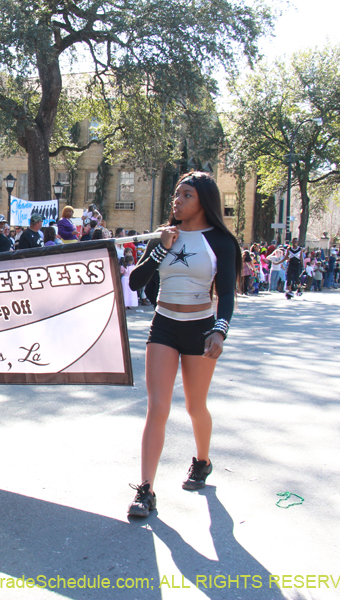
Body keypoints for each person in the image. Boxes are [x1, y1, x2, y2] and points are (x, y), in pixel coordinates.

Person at [126, 172, 240, 518]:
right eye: (176, 195)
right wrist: (161, 248)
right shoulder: (164, 236)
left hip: (201, 328)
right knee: (157, 407)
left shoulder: (220, 241)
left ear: (203, 200)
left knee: (195, 407)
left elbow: (227, 295)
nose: (176, 201)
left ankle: (202, 461)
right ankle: (145, 490)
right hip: (163, 326)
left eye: (185, 195)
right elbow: (136, 282)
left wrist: (220, 330)